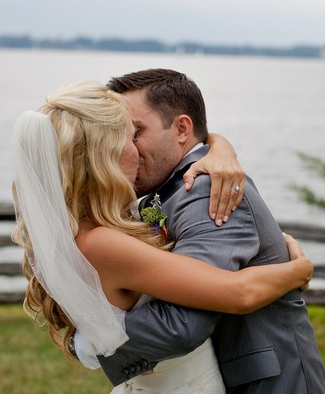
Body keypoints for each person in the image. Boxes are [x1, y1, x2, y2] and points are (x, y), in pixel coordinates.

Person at [12, 80, 314, 394]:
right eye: (131, 136)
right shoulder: (102, 243)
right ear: (106, 153)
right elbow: (236, 295)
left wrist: (219, 145)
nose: (136, 150)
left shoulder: (80, 233)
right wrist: (300, 270)